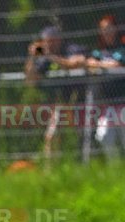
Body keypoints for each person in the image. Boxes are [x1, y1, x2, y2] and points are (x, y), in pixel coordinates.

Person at [24, 25, 88, 159]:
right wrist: (32, 57)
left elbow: (72, 64)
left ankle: (83, 165)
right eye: (46, 41)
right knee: (51, 136)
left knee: (83, 139)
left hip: (83, 102)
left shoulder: (71, 49)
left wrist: (50, 55)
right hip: (62, 104)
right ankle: (50, 172)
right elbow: (31, 81)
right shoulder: (45, 58)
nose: (48, 44)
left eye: (51, 40)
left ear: (59, 39)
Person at [86, 15, 125, 159]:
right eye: (103, 29)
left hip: (123, 102)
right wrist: (100, 64)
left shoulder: (122, 47)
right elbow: (89, 62)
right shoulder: (99, 51)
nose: (107, 32)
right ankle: (115, 170)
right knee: (103, 136)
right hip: (108, 105)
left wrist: (100, 65)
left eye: (109, 28)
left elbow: (117, 64)